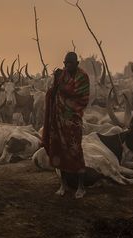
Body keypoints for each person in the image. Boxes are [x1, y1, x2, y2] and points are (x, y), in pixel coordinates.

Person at [42, 52, 90, 199]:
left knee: (76, 151)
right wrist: (56, 82)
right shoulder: (62, 76)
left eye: (70, 64)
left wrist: (61, 86)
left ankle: (81, 187)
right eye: (65, 64)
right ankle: (63, 184)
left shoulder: (82, 77)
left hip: (73, 121)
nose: (67, 66)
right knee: (58, 151)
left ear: (76, 64)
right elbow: (53, 93)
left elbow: (79, 96)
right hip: (58, 120)